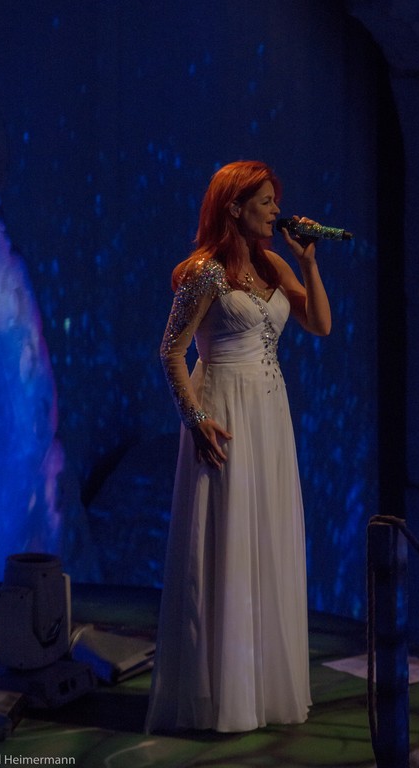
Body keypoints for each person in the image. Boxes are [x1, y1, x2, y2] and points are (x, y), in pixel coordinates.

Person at [145, 160, 332, 734]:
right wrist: (195, 418)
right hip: (223, 409)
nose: (276, 211)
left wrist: (308, 262)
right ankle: (219, 695)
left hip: (269, 414)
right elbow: (171, 351)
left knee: (266, 534)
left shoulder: (274, 264)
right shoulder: (206, 272)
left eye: (276, 201)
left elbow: (320, 324)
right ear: (234, 207)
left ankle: (261, 690)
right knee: (225, 538)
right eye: (266, 202)